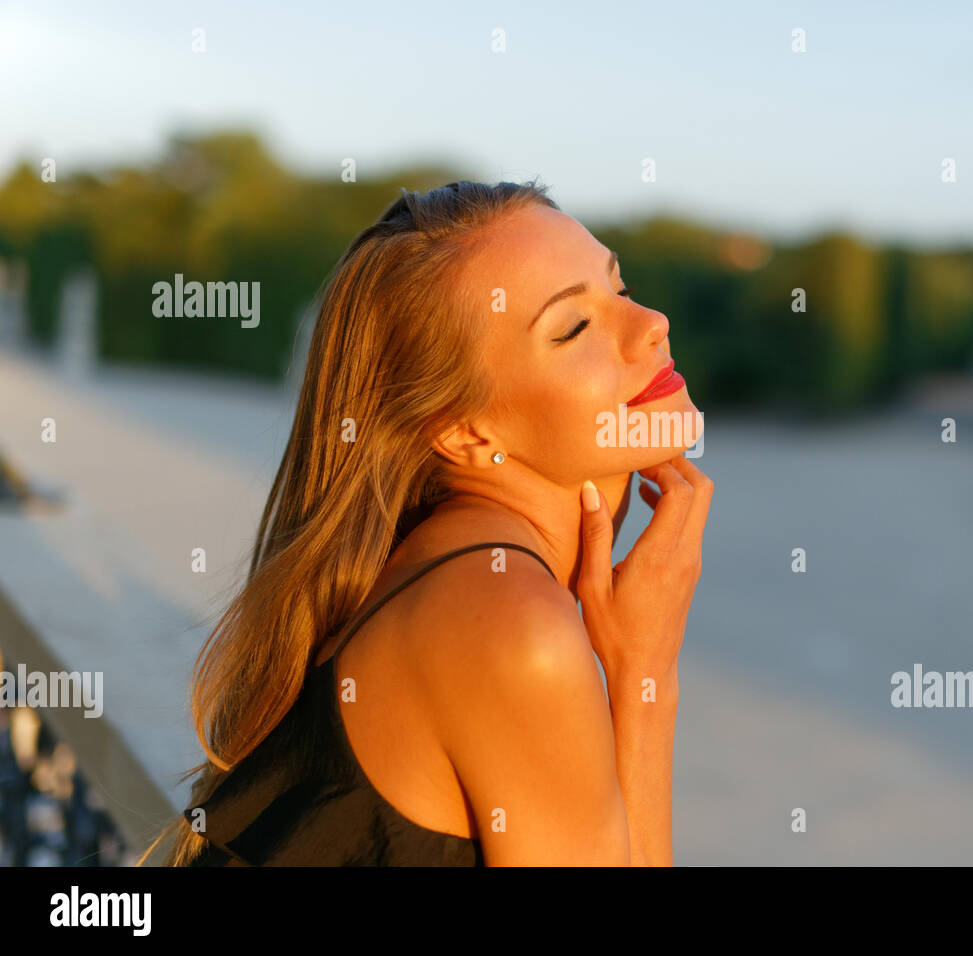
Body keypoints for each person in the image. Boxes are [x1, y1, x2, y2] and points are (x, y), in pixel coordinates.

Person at [137, 180, 711, 866]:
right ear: (464, 431)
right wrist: (647, 679)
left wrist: (639, 667)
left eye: (618, 287)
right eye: (574, 327)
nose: (650, 323)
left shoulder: (442, 565)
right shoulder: (511, 624)